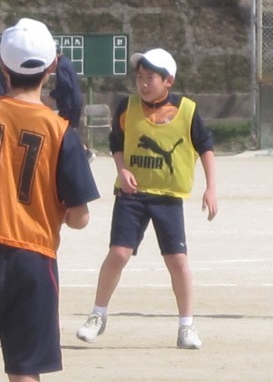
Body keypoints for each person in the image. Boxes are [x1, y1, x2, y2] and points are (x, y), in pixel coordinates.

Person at [0, 17, 100, 381]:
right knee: (25, 370)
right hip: (34, 258)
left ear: (2, 67)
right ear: (52, 66)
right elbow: (80, 217)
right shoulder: (60, 131)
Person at [75, 47, 218, 349]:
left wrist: (211, 188)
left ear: (168, 80)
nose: (143, 83)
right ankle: (98, 315)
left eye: (150, 77)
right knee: (118, 254)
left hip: (168, 197)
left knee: (177, 260)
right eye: (140, 77)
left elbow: (206, 147)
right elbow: (116, 143)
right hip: (132, 195)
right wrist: (122, 169)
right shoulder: (127, 107)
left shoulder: (187, 110)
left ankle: (186, 326)